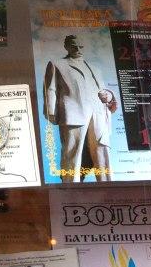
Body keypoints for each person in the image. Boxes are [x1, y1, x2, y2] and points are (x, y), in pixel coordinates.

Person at [43, 35, 116, 182]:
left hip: (98, 114)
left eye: (80, 46)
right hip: (74, 113)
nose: (77, 49)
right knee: (72, 153)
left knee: (102, 152)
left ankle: (108, 186)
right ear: (66, 47)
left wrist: (109, 96)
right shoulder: (57, 64)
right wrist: (51, 112)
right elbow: (50, 89)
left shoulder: (95, 68)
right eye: (74, 45)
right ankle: (70, 186)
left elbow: (102, 89)